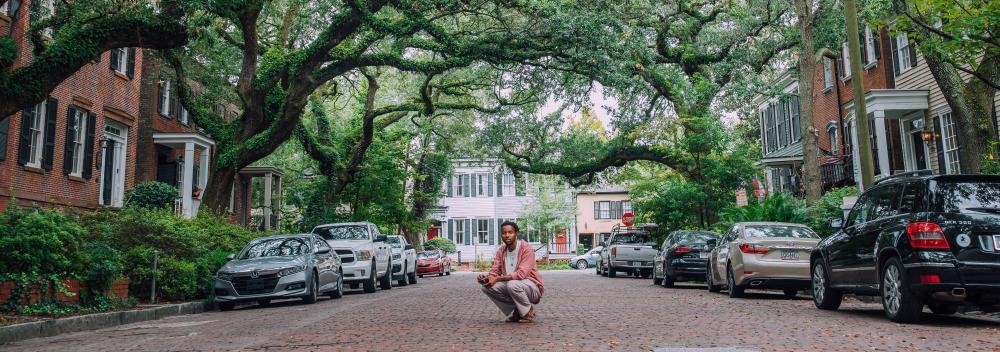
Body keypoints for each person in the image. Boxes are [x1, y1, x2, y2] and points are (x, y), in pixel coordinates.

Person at [478, 221, 544, 323]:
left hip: (532, 288)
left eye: (510, 232)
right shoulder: (501, 251)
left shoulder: (526, 249)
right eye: (504, 233)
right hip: (513, 286)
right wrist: (487, 278)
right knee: (487, 288)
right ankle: (518, 310)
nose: (507, 235)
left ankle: (528, 312)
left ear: (516, 233)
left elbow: (521, 274)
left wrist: (497, 278)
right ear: (501, 235)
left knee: (512, 284)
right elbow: (495, 270)